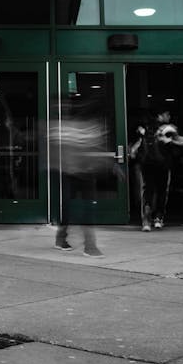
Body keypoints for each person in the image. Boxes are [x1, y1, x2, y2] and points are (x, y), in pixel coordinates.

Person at [52, 98, 110, 257]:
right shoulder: (64, 127)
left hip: (85, 173)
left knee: (87, 208)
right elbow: (62, 152)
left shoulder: (89, 126)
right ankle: (64, 238)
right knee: (68, 209)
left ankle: (89, 245)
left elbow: (94, 148)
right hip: (69, 173)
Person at [129, 110, 183, 231]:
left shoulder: (144, 128)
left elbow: (134, 149)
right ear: (161, 115)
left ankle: (146, 221)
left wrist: (134, 156)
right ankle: (158, 218)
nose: (169, 116)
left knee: (147, 191)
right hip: (163, 165)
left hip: (147, 165)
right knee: (162, 191)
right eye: (167, 114)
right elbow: (182, 141)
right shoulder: (169, 128)